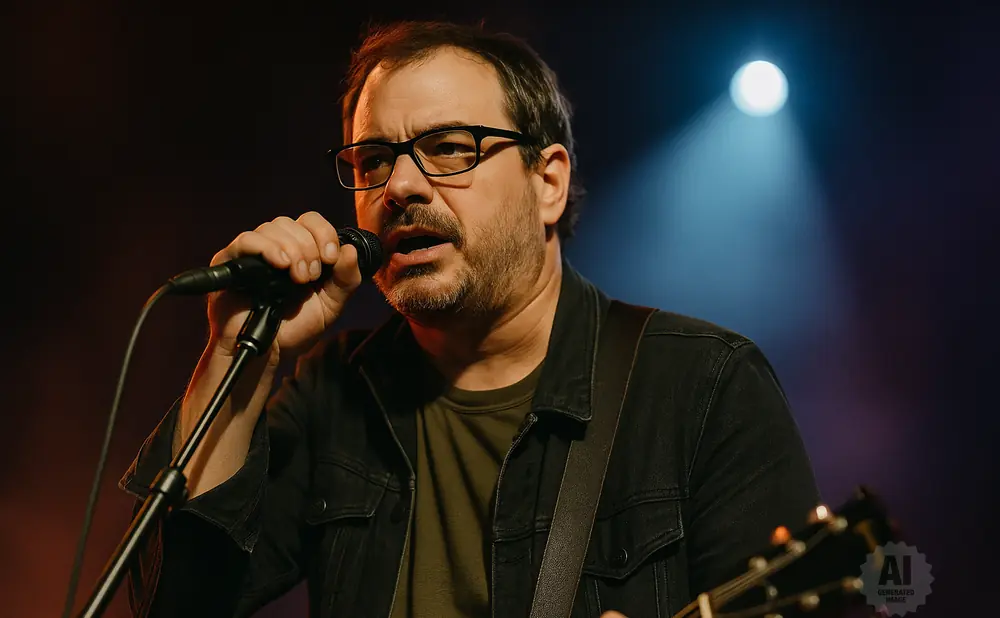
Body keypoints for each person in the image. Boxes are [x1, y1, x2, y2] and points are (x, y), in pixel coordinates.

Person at [119, 19, 821, 618]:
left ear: (548, 182)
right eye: (373, 161)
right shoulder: (335, 391)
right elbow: (175, 602)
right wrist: (238, 356)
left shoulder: (703, 388)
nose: (399, 186)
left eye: (449, 148)